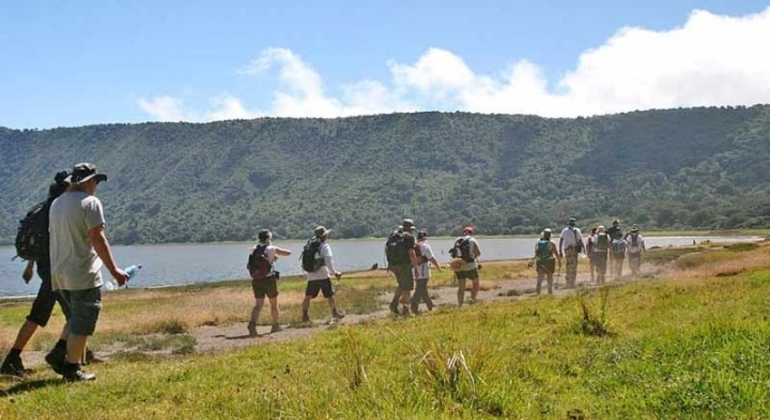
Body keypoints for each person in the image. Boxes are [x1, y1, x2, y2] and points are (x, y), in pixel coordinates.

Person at [48, 163, 129, 382]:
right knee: (83, 322)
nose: (97, 186)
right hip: (82, 272)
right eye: (96, 181)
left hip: (59, 273)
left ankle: (58, 352)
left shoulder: (57, 203)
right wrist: (115, 270)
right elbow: (97, 237)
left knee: (74, 317)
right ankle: (72, 369)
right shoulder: (90, 203)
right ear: (87, 181)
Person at [1, 171, 72, 377]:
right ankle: (62, 356)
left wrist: (30, 265)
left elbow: (39, 242)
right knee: (74, 313)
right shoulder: (59, 209)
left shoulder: (44, 208)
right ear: (66, 188)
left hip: (46, 266)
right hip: (56, 268)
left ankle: (79, 352)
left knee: (64, 312)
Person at [247, 229, 292, 337]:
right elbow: (288, 253)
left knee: (258, 305)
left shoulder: (254, 249)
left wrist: (272, 258)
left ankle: (252, 324)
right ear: (268, 239)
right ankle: (275, 325)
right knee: (273, 303)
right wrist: (274, 254)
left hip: (256, 279)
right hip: (268, 279)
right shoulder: (272, 248)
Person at [301, 226, 344, 323]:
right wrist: (335, 272)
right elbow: (328, 261)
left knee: (308, 297)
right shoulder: (325, 246)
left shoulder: (309, 245)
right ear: (324, 235)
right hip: (323, 275)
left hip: (311, 276)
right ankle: (334, 313)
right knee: (330, 296)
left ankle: (304, 316)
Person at [387, 219, 419, 315]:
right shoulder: (409, 237)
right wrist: (416, 267)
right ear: (410, 228)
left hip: (394, 264)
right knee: (407, 287)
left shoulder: (393, 235)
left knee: (401, 285)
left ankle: (393, 304)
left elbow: (387, 249)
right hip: (404, 265)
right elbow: (411, 252)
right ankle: (406, 310)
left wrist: (390, 264)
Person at [410, 230, 442, 313]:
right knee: (419, 290)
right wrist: (438, 267)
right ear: (425, 238)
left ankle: (430, 306)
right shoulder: (425, 246)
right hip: (424, 271)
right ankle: (413, 307)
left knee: (423, 290)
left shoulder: (414, 246)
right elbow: (431, 258)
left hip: (415, 271)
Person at [452, 226, 482, 306]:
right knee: (476, 283)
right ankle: (472, 300)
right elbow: (478, 253)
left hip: (459, 266)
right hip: (470, 266)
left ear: (464, 232)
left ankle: (460, 305)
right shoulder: (473, 240)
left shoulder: (458, 240)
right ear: (471, 233)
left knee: (461, 287)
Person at [532, 228, 561, 295]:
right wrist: (559, 260)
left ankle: (538, 291)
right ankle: (550, 291)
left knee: (540, 276)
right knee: (549, 276)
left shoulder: (538, 242)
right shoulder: (552, 242)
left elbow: (536, 253)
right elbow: (556, 253)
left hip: (540, 262)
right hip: (550, 261)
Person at [558, 218, 585, 288]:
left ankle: (568, 282)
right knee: (574, 265)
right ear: (574, 223)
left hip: (567, 250)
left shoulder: (564, 230)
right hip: (574, 250)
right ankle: (572, 282)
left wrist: (560, 250)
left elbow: (561, 240)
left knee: (568, 265)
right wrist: (584, 249)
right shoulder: (577, 230)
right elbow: (580, 240)